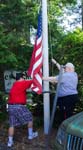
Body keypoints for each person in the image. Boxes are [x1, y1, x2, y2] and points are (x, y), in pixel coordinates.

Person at [7, 72, 38, 147]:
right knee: (30, 118)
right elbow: (34, 80)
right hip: (18, 106)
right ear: (21, 78)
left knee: (12, 124)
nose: (24, 79)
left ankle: (10, 142)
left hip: (10, 107)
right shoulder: (21, 83)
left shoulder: (14, 85)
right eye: (23, 78)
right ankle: (30, 135)